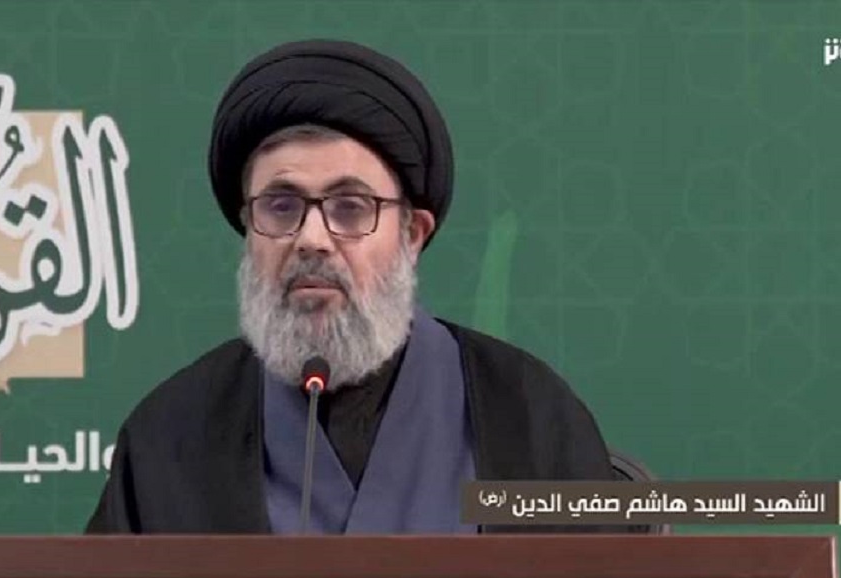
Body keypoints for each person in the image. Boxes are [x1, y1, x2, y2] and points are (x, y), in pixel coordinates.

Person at [86, 38, 618, 535]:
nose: (312, 239)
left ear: (412, 234)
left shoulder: (525, 410)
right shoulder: (171, 434)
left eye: (350, 207)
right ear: (248, 229)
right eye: (281, 206)